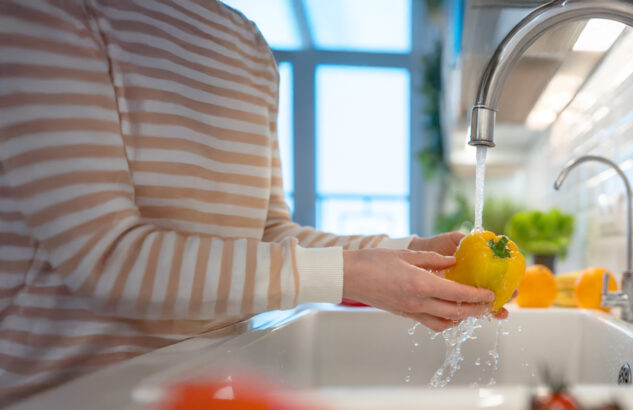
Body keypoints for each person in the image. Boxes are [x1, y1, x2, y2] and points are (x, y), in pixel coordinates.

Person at [0, 0, 499, 404]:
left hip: (208, 382)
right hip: (68, 393)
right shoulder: (50, 14)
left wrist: (415, 252)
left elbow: (270, 234)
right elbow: (107, 258)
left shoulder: (248, 43)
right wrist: (353, 274)